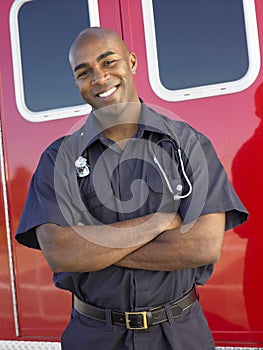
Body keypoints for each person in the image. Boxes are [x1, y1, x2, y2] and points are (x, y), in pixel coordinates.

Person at [16, 27, 248, 350]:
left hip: (179, 336)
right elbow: (62, 253)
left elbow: (203, 245)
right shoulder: (58, 160)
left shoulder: (188, 144)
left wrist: (94, 247)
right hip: (94, 337)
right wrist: (160, 223)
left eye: (108, 62)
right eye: (84, 72)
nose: (99, 78)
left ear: (132, 62)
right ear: (76, 83)